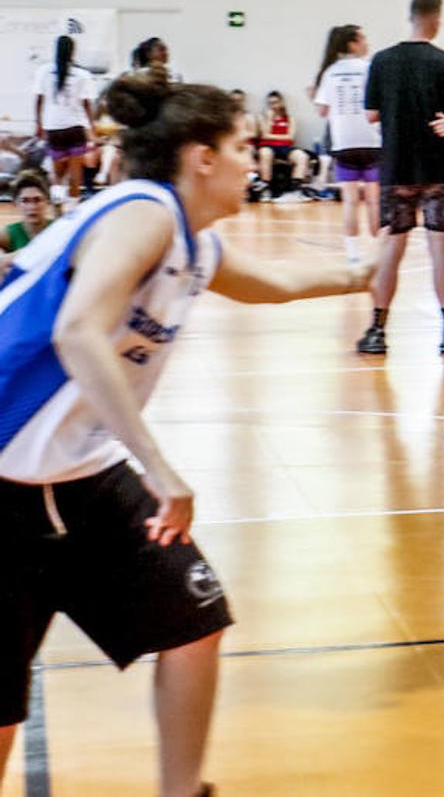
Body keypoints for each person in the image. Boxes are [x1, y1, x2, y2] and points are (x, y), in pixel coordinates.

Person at [0, 69, 374, 797]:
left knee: (194, 618)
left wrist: (365, 274)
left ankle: (183, 791)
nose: (253, 158)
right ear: (201, 156)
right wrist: (160, 468)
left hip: (78, 471)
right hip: (5, 471)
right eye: (241, 146)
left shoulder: (193, 243)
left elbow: (278, 284)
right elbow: (79, 330)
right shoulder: (143, 211)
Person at [358, 0, 444, 355]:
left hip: (397, 165)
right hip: (439, 166)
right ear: (436, 18)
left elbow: (371, 115)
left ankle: (377, 330)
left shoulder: (381, 60)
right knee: (441, 249)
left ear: (410, 16)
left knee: (391, 249)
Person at [313, 24, 382, 263]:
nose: (367, 44)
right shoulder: (370, 68)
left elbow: (322, 111)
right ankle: (378, 254)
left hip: (344, 144)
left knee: (350, 202)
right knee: (374, 200)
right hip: (372, 142)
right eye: (363, 39)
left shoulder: (330, 72)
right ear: (352, 43)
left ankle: (353, 256)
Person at [33, 35, 95, 204]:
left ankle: (57, 208)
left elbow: (39, 100)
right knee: (75, 174)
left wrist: (38, 124)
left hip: (53, 128)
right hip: (75, 128)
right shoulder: (82, 75)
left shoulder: (43, 71)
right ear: (73, 52)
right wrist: (92, 127)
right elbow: (86, 104)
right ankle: (73, 210)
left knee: (57, 174)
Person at [256, 91, 314, 199]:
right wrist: (269, 120)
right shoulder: (262, 117)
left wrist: (271, 136)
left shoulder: (289, 118)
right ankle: (266, 189)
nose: (273, 106)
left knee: (302, 156)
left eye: (275, 102)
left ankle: (296, 190)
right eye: (270, 103)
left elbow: (291, 137)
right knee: (265, 153)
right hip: (268, 147)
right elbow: (264, 135)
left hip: (285, 147)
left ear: (281, 102)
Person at [0, 169, 55, 254]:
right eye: (25, 201)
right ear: (15, 203)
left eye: (37, 200)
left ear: (47, 201)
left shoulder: (58, 228)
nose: (32, 207)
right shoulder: (9, 233)